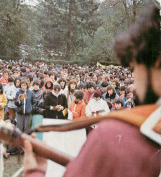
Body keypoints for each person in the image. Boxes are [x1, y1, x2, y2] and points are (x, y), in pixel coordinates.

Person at [23, 5, 160, 177]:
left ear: (156, 62)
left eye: (134, 68)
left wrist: (35, 171)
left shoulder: (112, 135)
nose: (132, 85)